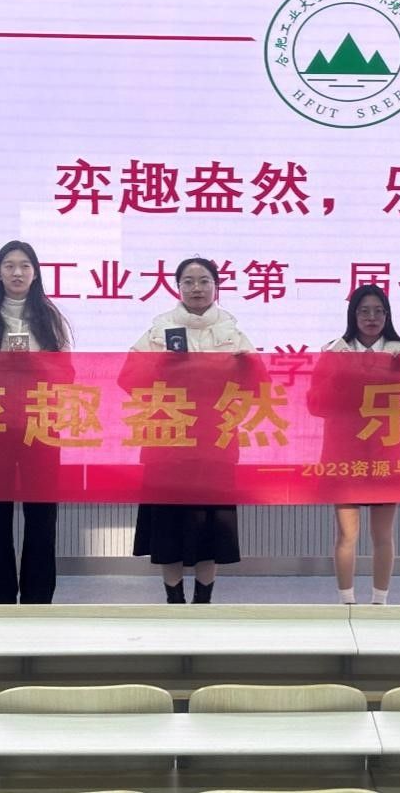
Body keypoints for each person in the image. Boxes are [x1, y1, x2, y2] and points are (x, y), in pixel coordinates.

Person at [126, 257, 255, 604]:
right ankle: (174, 600)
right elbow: (128, 379)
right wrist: (158, 368)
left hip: (215, 443)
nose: (196, 288)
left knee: (211, 526)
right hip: (167, 442)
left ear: (216, 286)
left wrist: (245, 368)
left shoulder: (233, 332)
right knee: (167, 524)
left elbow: (258, 384)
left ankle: (203, 601)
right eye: (188, 281)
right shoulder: (159, 331)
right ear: (177, 287)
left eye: (204, 281)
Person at [0, 241, 72, 604]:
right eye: (9, 266)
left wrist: (36, 366)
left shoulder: (50, 317)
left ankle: (39, 599)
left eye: (25, 266)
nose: (17, 272)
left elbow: (68, 374)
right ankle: (0, 598)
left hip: (41, 424)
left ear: (35, 273)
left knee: (42, 517)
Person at [308, 284, 400, 605]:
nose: (371, 318)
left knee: (383, 535)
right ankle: (346, 602)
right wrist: (338, 379)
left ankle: (379, 603)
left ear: (387, 315)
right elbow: (315, 404)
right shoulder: (334, 351)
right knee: (347, 534)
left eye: (378, 311)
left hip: (386, 449)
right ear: (353, 315)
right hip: (344, 451)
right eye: (364, 311)